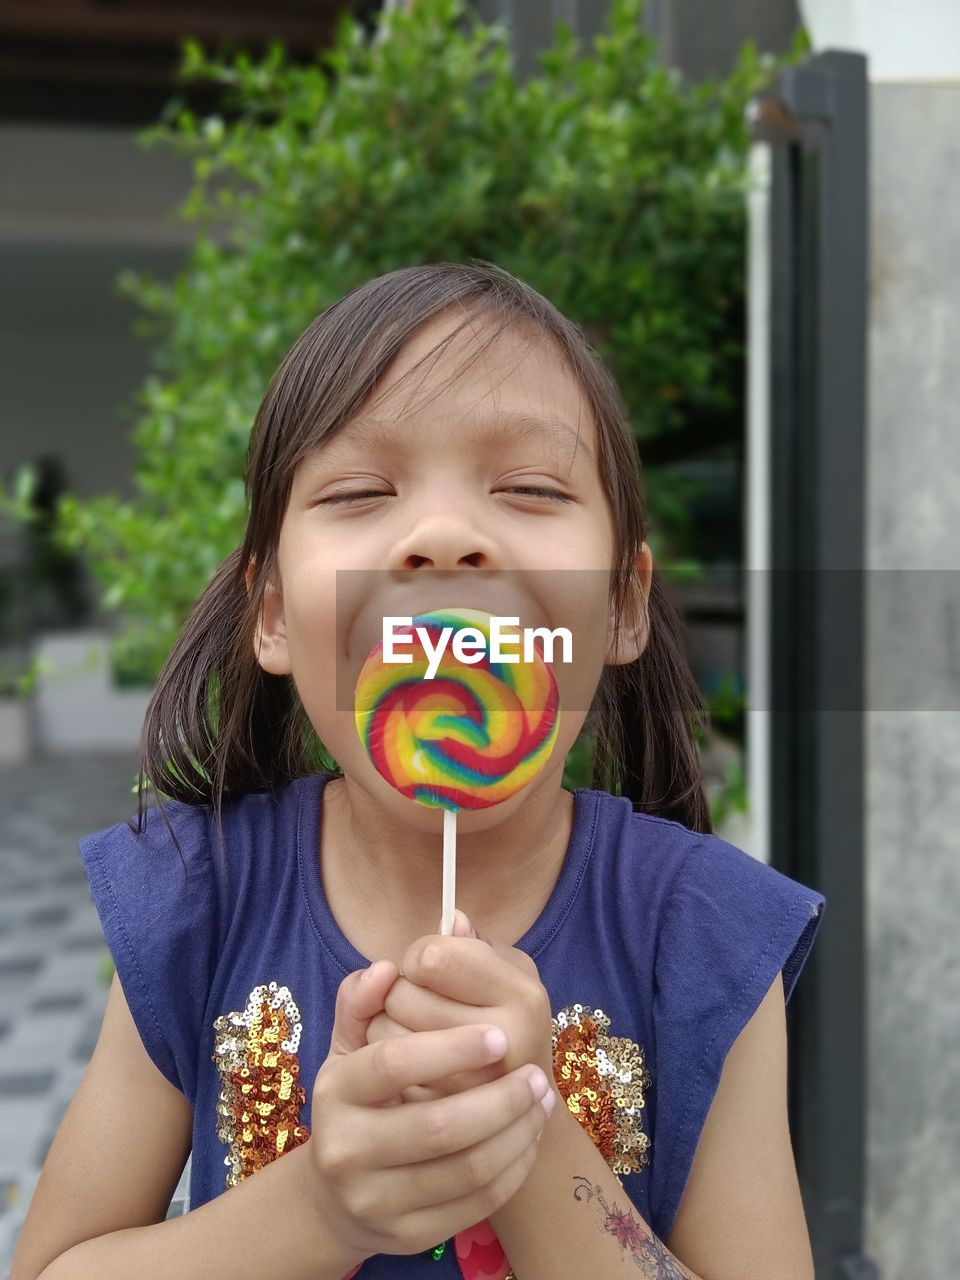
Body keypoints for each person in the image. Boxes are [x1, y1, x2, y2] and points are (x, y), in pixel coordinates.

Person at [12, 261, 826, 1280]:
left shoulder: (705, 934)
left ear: (622, 602)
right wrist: (321, 1203)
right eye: (359, 490)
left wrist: (530, 1141)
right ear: (271, 614)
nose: (444, 536)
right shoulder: (196, 896)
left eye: (530, 487)